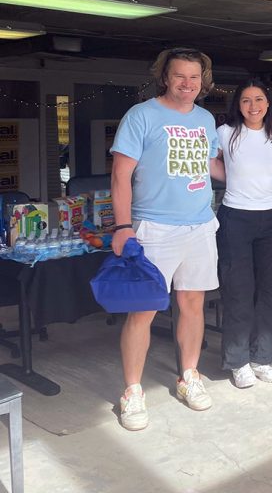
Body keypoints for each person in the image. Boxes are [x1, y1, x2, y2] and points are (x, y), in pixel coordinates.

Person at [110, 47, 222, 431]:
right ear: (165, 77)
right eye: (180, 76)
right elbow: (120, 175)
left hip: (200, 224)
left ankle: (188, 375)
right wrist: (122, 227)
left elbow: (208, 166)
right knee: (143, 310)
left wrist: (256, 172)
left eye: (194, 77)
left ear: (202, 82)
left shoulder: (206, 119)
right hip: (154, 227)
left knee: (193, 304)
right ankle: (132, 390)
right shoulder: (141, 115)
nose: (187, 84)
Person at [216, 80, 272, 389]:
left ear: (268, 103)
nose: (253, 106)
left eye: (259, 99)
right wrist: (231, 178)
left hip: (269, 218)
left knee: (269, 290)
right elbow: (209, 161)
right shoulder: (225, 133)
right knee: (238, 291)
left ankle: (261, 357)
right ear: (238, 105)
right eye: (246, 100)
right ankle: (237, 361)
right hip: (235, 218)